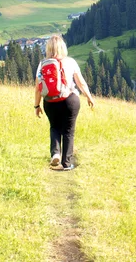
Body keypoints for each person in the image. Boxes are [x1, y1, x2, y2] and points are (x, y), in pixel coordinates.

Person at [34, 35, 94, 171]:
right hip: (69, 100)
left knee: (54, 127)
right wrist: (89, 97)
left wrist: (37, 105)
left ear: (48, 48)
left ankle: (55, 153)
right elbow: (80, 82)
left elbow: (38, 88)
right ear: (63, 47)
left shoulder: (42, 64)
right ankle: (66, 163)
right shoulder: (70, 62)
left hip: (50, 101)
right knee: (68, 131)